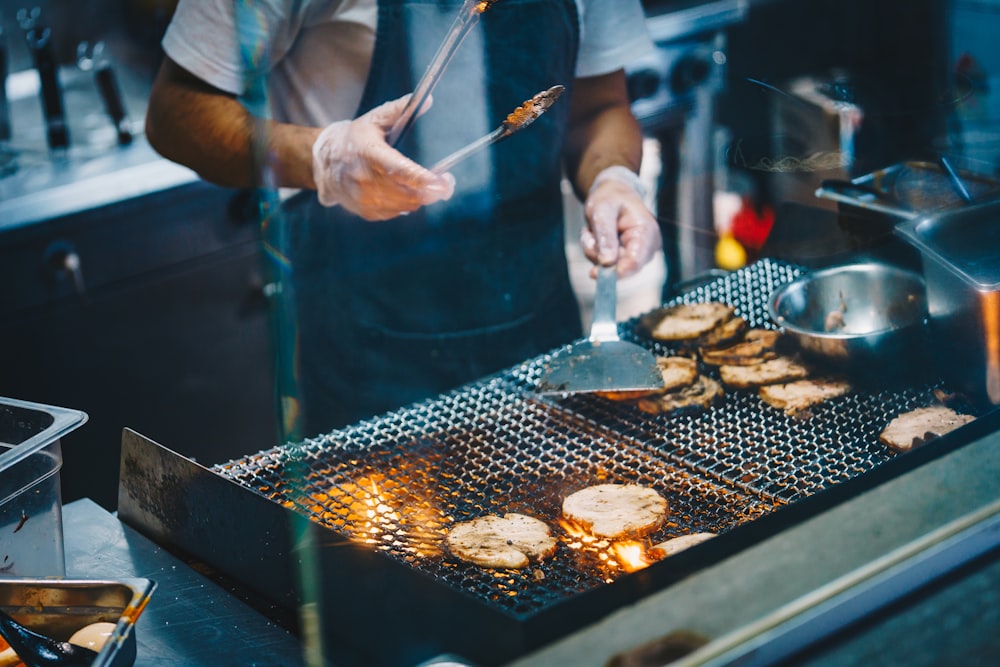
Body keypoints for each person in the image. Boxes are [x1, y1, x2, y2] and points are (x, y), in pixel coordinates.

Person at [145, 0, 662, 437]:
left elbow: (598, 106)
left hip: (536, 322)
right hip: (364, 348)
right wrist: (324, 157)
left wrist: (614, 177)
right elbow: (176, 110)